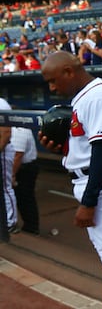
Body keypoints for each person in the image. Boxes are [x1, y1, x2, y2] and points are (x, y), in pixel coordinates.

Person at [39, 52, 102, 309]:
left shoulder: (98, 96)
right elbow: (87, 148)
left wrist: (88, 201)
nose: (52, 88)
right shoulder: (85, 97)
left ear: (69, 72)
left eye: (53, 81)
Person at [12, 122, 39, 235]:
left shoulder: (19, 130)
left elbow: (18, 155)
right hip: (22, 167)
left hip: (25, 169)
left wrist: (12, 175)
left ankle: (31, 227)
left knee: (25, 197)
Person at [0, 97, 16, 233]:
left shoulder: (1, 103)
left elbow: (6, 133)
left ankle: (10, 221)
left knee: (5, 186)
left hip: (3, 150)